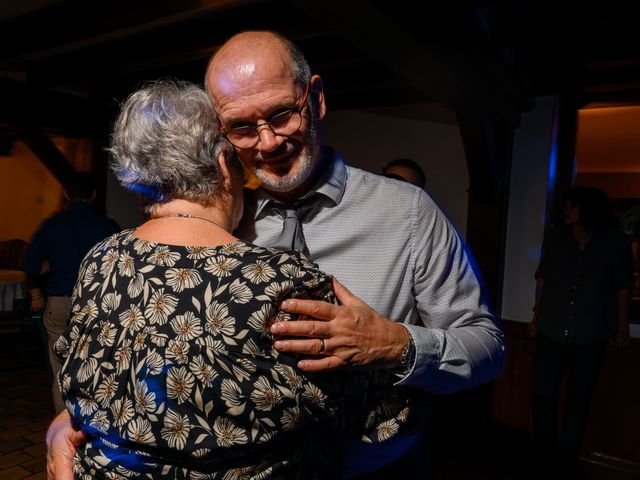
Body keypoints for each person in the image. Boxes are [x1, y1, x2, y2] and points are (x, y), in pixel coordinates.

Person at [48, 30, 505, 478]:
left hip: (375, 469)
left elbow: (486, 345)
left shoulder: (407, 212)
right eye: (243, 127)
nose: (267, 142)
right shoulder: (212, 229)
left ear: (316, 98)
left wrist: (396, 345)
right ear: (221, 135)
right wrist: (82, 420)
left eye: (282, 114)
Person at [529, 186, 632, 469]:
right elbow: (542, 279)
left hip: (592, 332)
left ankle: (567, 457)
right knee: (542, 393)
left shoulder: (616, 242)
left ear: (589, 209)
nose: (566, 209)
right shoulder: (556, 238)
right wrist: (536, 318)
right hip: (552, 327)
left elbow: (623, 286)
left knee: (579, 398)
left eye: (572, 205)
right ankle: (543, 454)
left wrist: (622, 328)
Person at [23, 171, 119, 413]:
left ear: (66, 194)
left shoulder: (52, 225)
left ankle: (64, 424)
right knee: (93, 367)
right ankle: (90, 423)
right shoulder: (108, 227)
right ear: (94, 195)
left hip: (60, 302)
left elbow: (29, 265)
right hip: (96, 307)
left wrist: (50, 268)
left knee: (59, 369)